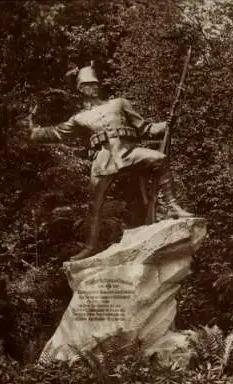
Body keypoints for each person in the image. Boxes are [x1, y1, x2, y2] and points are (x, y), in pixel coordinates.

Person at [28, 62, 192, 260]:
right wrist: (34, 132)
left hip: (128, 152)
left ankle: (173, 206)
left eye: (95, 83)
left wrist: (165, 125)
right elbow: (57, 132)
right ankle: (90, 246)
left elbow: (145, 128)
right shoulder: (79, 118)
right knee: (94, 205)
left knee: (160, 159)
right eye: (89, 84)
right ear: (81, 88)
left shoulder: (119, 103)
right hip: (103, 161)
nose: (94, 87)